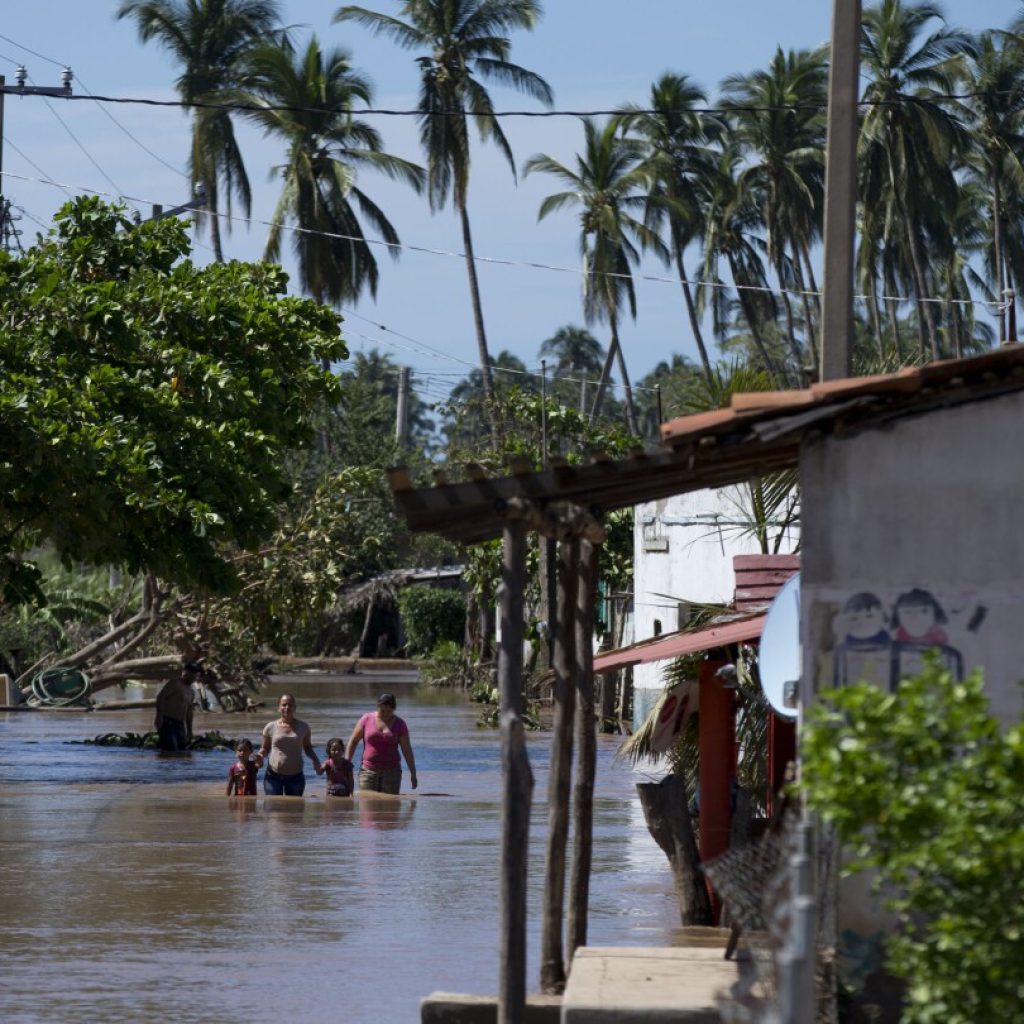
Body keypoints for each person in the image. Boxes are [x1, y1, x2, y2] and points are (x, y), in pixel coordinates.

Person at [345, 693, 418, 794]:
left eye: (389, 711)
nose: (386, 714)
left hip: (392, 772)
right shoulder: (366, 719)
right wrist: (346, 764)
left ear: (394, 709)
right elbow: (353, 741)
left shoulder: (400, 724)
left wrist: (413, 774)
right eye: (382, 711)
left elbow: (406, 750)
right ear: (378, 706)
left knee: (390, 807)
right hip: (368, 771)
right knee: (368, 806)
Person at [255, 694, 320, 796]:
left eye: (290, 705)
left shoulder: (304, 727)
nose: (287, 707)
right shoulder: (270, 727)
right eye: (284, 705)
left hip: (296, 776)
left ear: (295, 708)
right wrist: (259, 756)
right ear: (279, 708)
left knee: (294, 809)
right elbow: (265, 749)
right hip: (273, 776)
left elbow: (307, 748)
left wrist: (316, 761)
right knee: (273, 808)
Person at [154, 662, 199, 752]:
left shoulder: (191, 692)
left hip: (180, 725)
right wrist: (159, 717)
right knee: (171, 750)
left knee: (182, 750)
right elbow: (160, 697)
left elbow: (189, 712)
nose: (192, 675)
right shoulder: (175, 683)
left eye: (194, 673)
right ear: (184, 672)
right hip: (167, 722)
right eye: (190, 672)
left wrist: (190, 731)